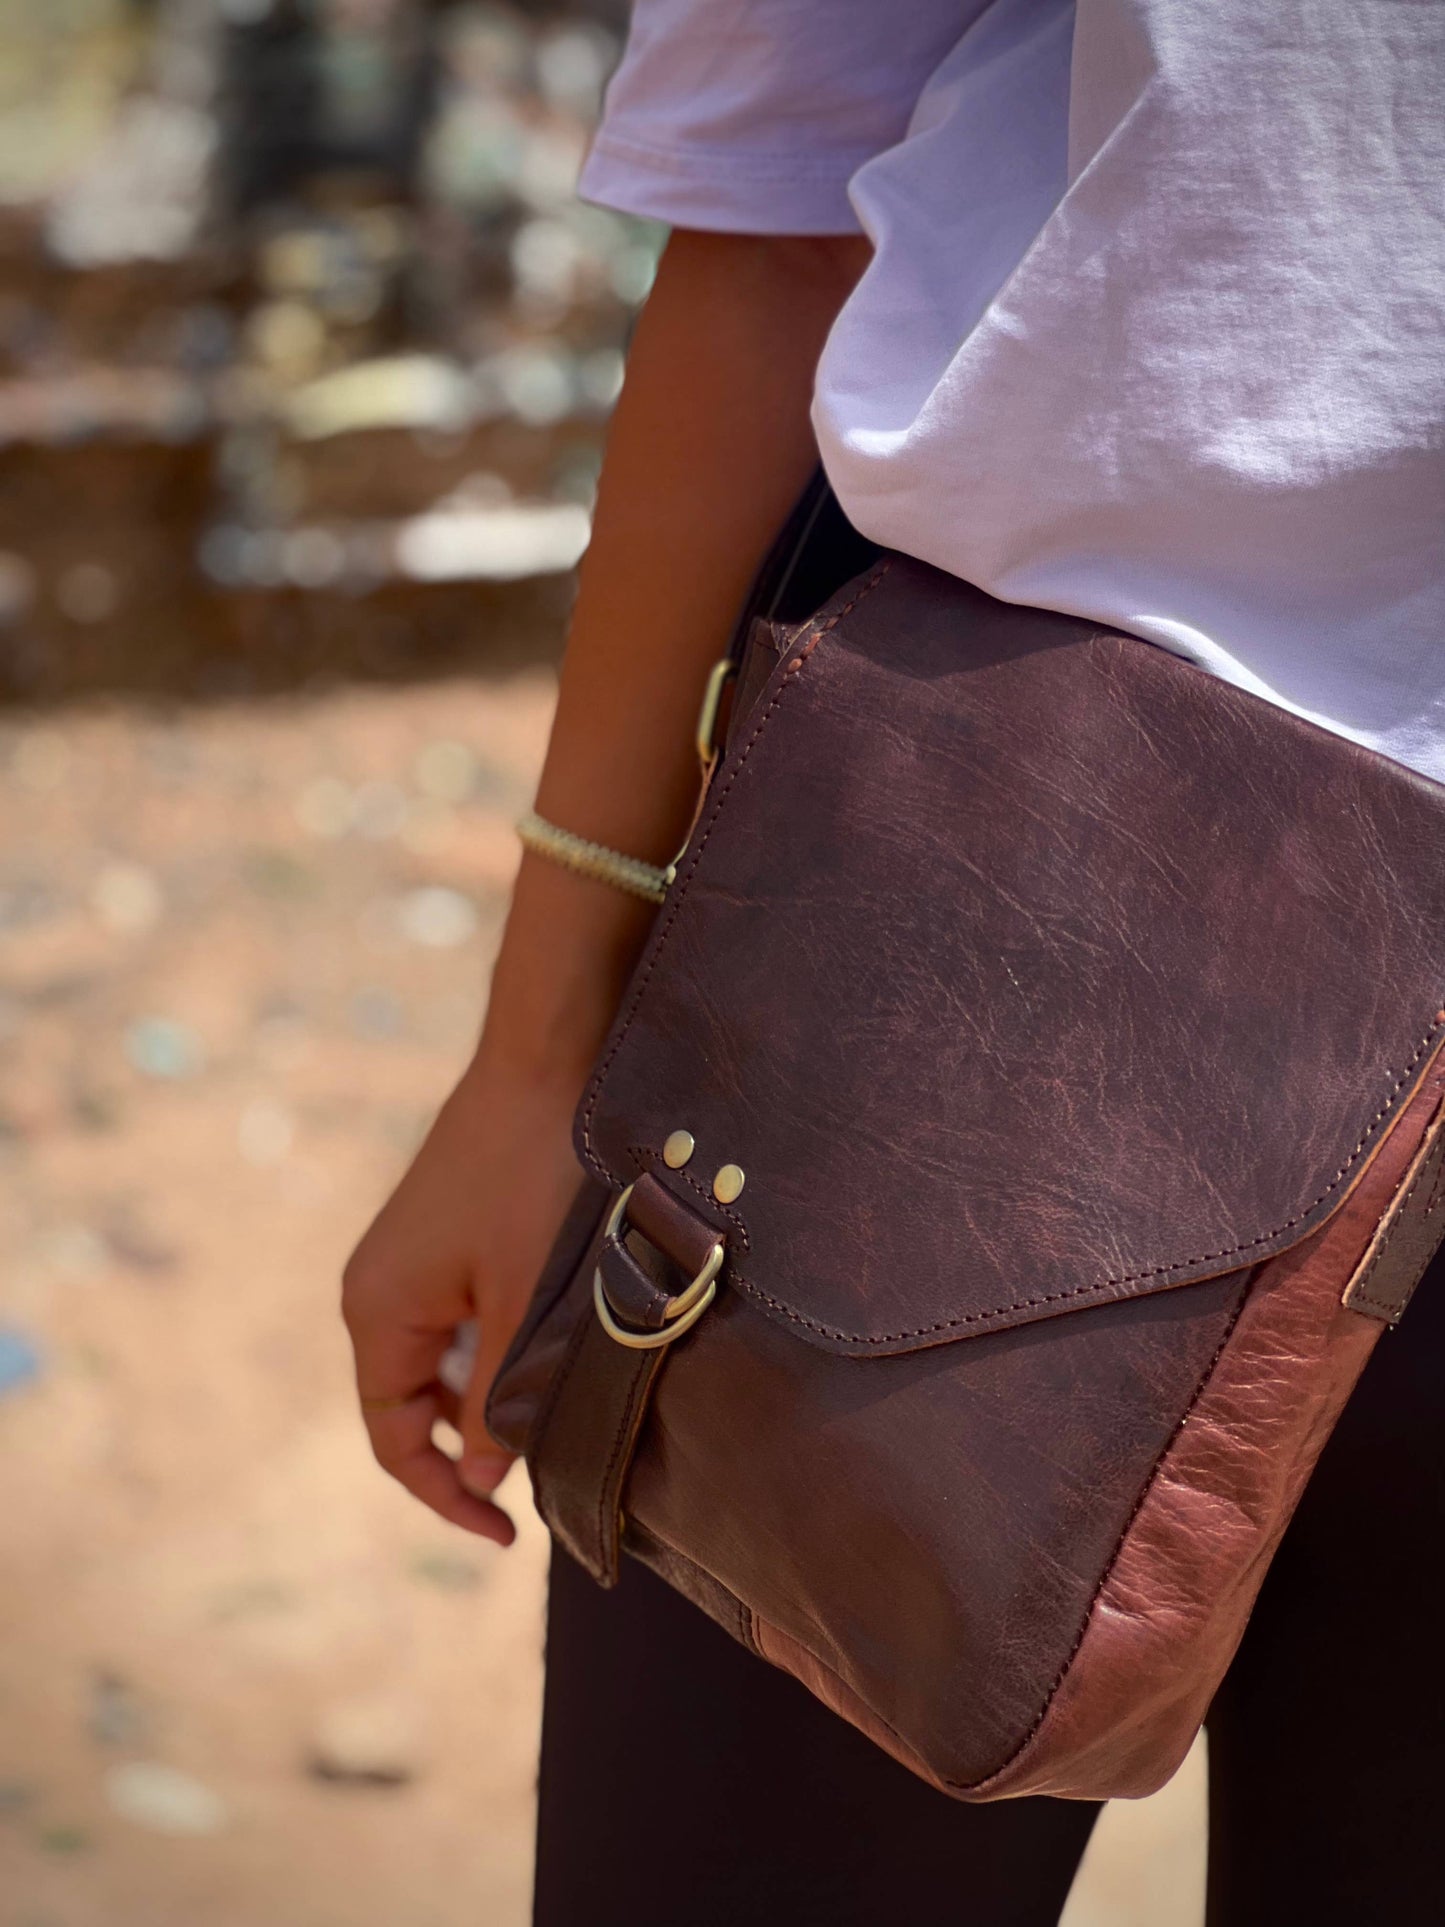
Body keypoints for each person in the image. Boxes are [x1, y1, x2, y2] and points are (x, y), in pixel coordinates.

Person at [341, 4, 1445, 1921]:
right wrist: (532, 1069)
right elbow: (776, 195)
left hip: (989, 919)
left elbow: (770, 206)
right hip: (993, 929)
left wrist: (538, 1050)